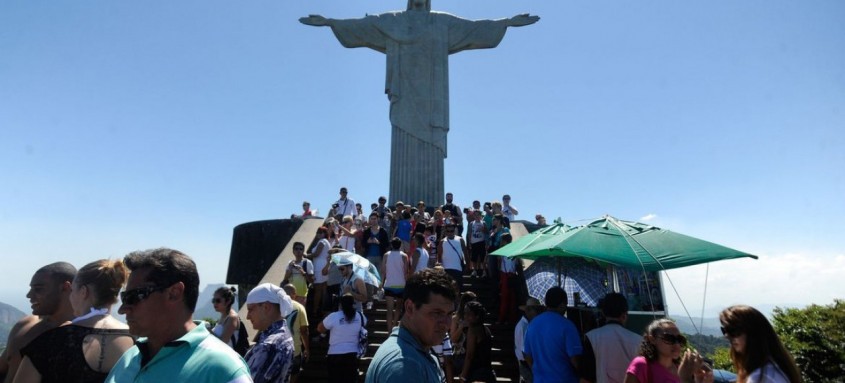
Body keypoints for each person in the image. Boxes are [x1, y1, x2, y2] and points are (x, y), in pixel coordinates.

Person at [300, 4, 538, 205]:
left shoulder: (441, 23)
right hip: (403, 97)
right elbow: (365, 27)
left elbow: (473, 28)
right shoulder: (394, 21)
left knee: (430, 145)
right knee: (402, 140)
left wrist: (506, 22)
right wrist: (330, 22)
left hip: (432, 104)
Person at [105, 248, 251, 383]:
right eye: (124, 297)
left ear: (174, 293)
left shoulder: (224, 370)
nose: (122, 309)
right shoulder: (129, 357)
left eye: (134, 297)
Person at [13, 259, 133, 383]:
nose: (70, 297)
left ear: (83, 292)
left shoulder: (49, 342)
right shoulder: (138, 342)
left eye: (73, 291)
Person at [365, 268, 458, 383]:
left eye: (450, 314)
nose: (446, 324)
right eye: (437, 313)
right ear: (410, 308)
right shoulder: (406, 364)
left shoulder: (415, 354)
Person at [1, 262, 76, 383]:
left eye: (38, 289)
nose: (29, 295)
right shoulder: (25, 325)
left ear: (65, 288)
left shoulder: (80, 337)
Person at [719, 305, 801, 383]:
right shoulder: (774, 369)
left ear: (753, 333)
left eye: (733, 331)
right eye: (725, 330)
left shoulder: (760, 377)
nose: (727, 336)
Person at [623, 319, 713, 383]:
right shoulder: (642, 366)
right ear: (652, 339)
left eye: (680, 339)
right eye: (669, 338)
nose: (677, 344)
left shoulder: (681, 369)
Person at [523, 287, 582, 383]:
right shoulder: (567, 326)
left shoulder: (532, 324)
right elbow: (575, 360)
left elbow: (527, 355)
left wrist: (536, 373)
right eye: (566, 304)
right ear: (562, 304)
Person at [580, 293, 642, 383]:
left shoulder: (592, 337)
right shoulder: (638, 340)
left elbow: (586, 378)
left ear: (603, 313)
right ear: (625, 315)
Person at [244, 283, 295, 383]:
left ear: (266, 307)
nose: (247, 316)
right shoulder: (283, 336)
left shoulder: (269, 345)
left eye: (250, 310)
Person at [318, 294, 366, 383]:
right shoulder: (360, 316)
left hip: (335, 354)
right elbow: (364, 324)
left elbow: (320, 328)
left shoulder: (334, 316)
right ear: (353, 303)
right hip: (353, 353)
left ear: (340, 304)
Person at [459, 301, 496, 383]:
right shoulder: (485, 329)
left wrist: (463, 375)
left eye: (469, 314)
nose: (465, 316)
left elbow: (469, 355)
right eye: (465, 313)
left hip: (477, 374)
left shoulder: (473, 330)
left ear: (477, 316)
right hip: (488, 372)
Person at [282, 285, 310, 383]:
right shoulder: (299, 307)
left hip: (279, 349)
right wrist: (307, 349)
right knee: (294, 374)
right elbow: (304, 331)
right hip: (295, 350)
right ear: (293, 294)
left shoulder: (276, 306)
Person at [381, 238, 410, 332]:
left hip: (389, 284)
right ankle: (394, 326)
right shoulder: (404, 256)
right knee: (398, 308)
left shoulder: (386, 255)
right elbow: (406, 272)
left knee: (389, 310)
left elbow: (383, 271)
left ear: (391, 245)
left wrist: (381, 283)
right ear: (400, 245)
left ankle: (389, 330)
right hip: (401, 285)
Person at [515, 298, 545, 383]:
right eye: (537, 310)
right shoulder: (524, 326)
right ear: (528, 311)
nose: (539, 313)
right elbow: (525, 353)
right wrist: (534, 370)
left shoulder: (529, 324)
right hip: (527, 365)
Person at [449, 291, 478, 378]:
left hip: (473, 354)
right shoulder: (456, 319)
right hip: (460, 355)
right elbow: (453, 339)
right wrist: (461, 327)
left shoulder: (476, 318)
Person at [309, 227, 331, 322]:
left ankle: (315, 310)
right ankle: (323, 309)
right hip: (324, 267)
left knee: (318, 290)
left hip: (319, 267)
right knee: (323, 289)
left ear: (323, 233)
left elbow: (317, 254)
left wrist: (306, 255)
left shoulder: (322, 241)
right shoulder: (327, 242)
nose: (317, 234)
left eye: (319, 232)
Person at [211, 286, 243, 352]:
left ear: (228, 301)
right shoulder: (223, 317)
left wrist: (208, 331)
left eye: (218, 300)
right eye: (213, 300)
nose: (214, 303)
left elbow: (223, 342)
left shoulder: (232, 317)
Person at [437, 224, 467, 293]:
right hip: (445, 270)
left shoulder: (460, 239)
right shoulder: (442, 242)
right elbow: (439, 255)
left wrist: (467, 265)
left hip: (458, 269)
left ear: (454, 231)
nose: (450, 233)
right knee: (447, 291)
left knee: (458, 290)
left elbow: (465, 253)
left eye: (452, 231)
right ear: (446, 231)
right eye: (448, 231)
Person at [497, 233, 519, 325]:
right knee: (512, 299)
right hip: (513, 275)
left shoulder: (503, 250)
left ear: (504, 240)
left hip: (505, 275)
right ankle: (511, 319)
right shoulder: (515, 249)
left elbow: (500, 264)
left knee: (505, 299)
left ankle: (502, 318)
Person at [467, 209, 487, 278]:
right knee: (474, 257)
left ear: (480, 215)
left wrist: (483, 229)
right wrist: (469, 242)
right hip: (474, 242)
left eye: (478, 215)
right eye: (475, 215)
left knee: (482, 257)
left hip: (481, 242)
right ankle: (474, 271)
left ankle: (484, 271)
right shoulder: (471, 223)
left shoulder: (483, 222)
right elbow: (469, 233)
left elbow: (486, 232)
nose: (477, 216)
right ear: (474, 216)